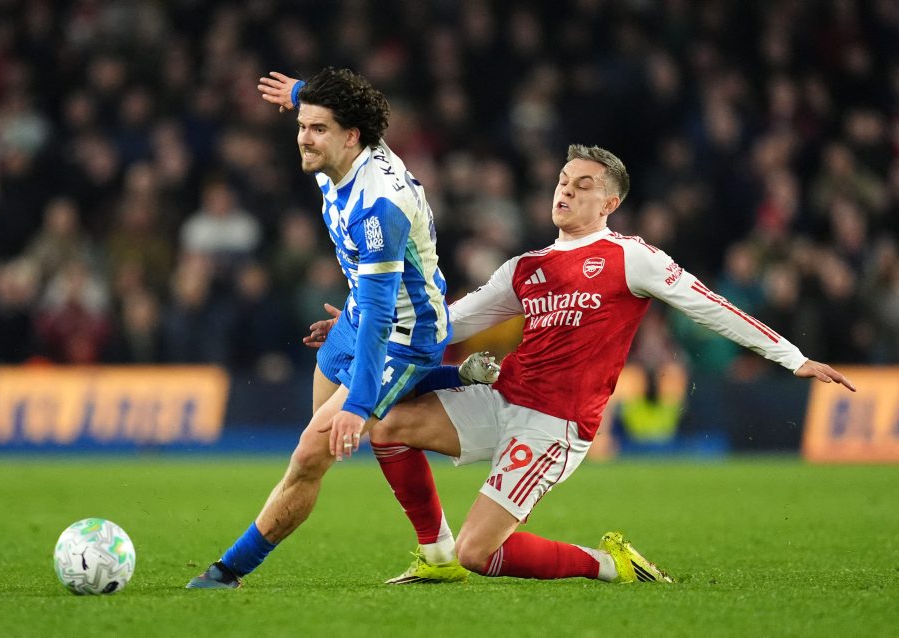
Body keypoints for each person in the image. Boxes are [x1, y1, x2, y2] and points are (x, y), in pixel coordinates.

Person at [308, 144, 856, 585]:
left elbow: (709, 305)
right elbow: (446, 322)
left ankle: (610, 564)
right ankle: (435, 555)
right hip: (502, 398)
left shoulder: (630, 257)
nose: (566, 189)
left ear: (610, 202)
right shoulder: (525, 267)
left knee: (481, 553)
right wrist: (359, 324)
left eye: (583, 184)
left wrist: (793, 358)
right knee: (388, 425)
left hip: (555, 423)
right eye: (563, 180)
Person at [187, 67, 480, 588]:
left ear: (351, 137)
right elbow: (348, 107)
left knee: (310, 454)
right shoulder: (342, 152)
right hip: (359, 314)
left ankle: (227, 571)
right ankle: (438, 548)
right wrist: (299, 94)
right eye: (302, 125)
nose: (304, 137)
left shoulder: (379, 207)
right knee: (316, 449)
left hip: (403, 336)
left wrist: (359, 404)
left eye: (317, 129)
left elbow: (383, 316)